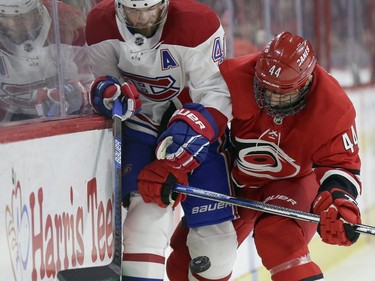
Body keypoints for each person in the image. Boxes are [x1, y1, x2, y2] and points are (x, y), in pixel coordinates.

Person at [166, 31, 363, 281]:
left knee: (279, 239)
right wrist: (174, 162)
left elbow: (342, 166)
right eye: (265, 89)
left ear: (306, 83)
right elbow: (191, 120)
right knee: (186, 262)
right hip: (234, 181)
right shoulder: (235, 77)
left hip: (292, 184)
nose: (271, 99)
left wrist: (338, 204)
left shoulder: (332, 106)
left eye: (283, 93)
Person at [86, 0, 238, 280]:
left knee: (217, 249)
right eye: (134, 10)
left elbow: (217, 95)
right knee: (143, 226)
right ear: (119, 6)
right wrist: (108, 93)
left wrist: (186, 148)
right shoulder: (99, 22)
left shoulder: (197, 23)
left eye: (151, 9)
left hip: (193, 130)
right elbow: (100, 83)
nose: (143, 17)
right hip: (140, 126)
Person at [0, 0, 92, 122]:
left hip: (61, 120)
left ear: (37, 10)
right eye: (4, 16)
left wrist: (73, 92)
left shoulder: (67, 22)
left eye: (20, 17)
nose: (12, 24)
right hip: (7, 124)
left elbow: (91, 80)